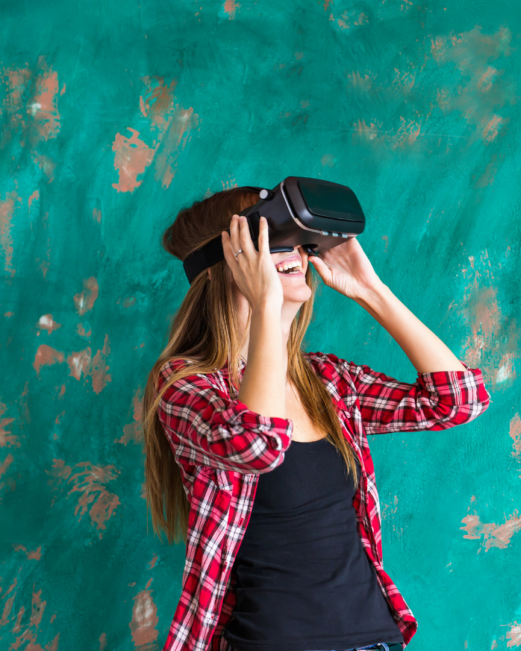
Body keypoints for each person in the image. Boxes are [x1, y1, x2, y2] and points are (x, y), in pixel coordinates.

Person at [139, 187, 491, 651]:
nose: (297, 254)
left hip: (378, 640)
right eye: (273, 239)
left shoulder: (326, 379)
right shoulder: (187, 385)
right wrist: (264, 304)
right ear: (232, 260)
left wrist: (371, 290)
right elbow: (257, 444)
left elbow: (458, 401)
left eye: (299, 243)